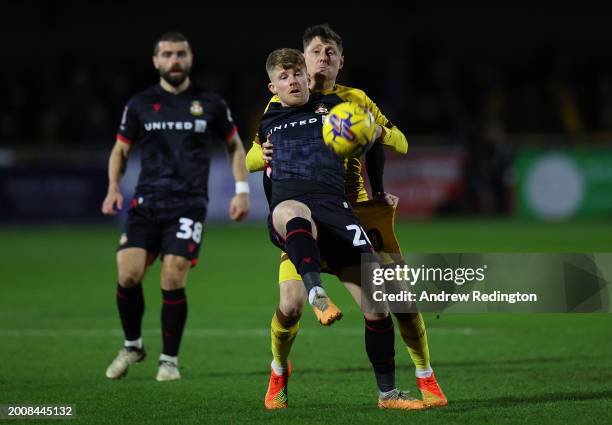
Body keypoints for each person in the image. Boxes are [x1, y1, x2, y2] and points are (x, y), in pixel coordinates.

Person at [246, 24, 446, 409]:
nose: (322, 58)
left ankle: (424, 377)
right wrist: (264, 155)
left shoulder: (352, 101)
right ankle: (278, 371)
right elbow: (256, 157)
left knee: (397, 299)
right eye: (315, 52)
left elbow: (396, 141)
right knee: (289, 304)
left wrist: (372, 147)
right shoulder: (277, 108)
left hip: (354, 209)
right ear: (301, 61)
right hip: (303, 210)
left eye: (330, 52)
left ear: (340, 61)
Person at [102, 32, 250, 382]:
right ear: (155, 61)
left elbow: (235, 148)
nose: (174, 60)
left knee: (173, 275)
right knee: (128, 273)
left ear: (190, 58)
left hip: (188, 203)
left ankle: (169, 360)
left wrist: (242, 191)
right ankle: (133, 345)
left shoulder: (211, 103)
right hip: (146, 201)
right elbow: (120, 150)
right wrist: (112, 188)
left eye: (180, 54)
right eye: (167, 54)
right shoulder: (139, 104)